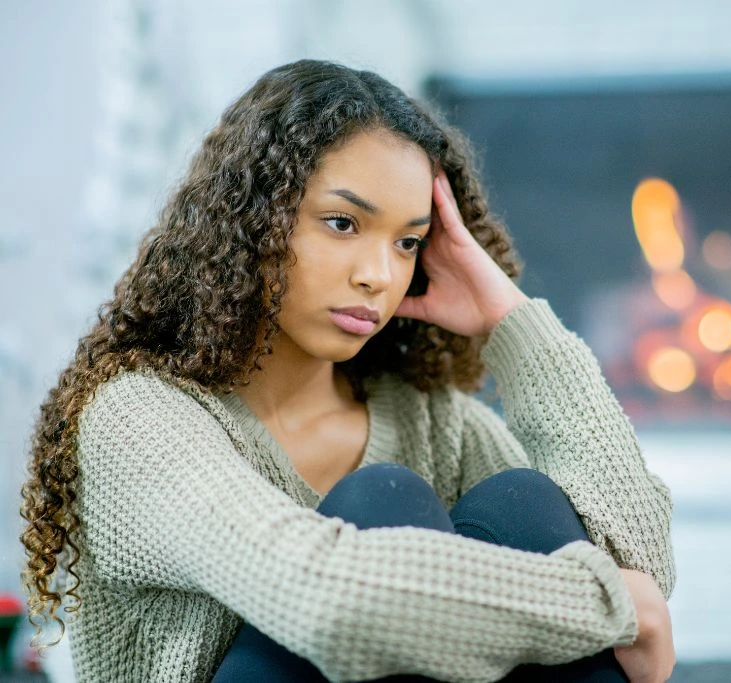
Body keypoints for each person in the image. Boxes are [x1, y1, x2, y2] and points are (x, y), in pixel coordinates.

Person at [19, 59, 676, 682]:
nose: (379, 275)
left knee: (524, 502)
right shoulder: (137, 419)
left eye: (408, 242)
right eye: (342, 223)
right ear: (253, 223)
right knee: (383, 500)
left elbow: (641, 566)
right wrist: (602, 600)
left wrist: (511, 320)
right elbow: (327, 599)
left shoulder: (427, 419)